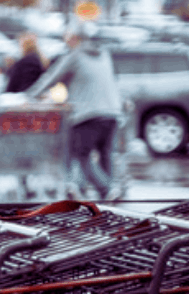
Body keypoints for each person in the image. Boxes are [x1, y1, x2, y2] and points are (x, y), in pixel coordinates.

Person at [24, 22, 124, 200]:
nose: (67, 41)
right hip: (112, 111)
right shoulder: (104, 54)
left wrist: (30, 96)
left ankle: (106, 189)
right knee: (105, 153)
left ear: (76, 38)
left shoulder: (75, 56)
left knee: (82, 154)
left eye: (69, 38)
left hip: (88, 113)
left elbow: (52, 78)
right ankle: (108, 192)